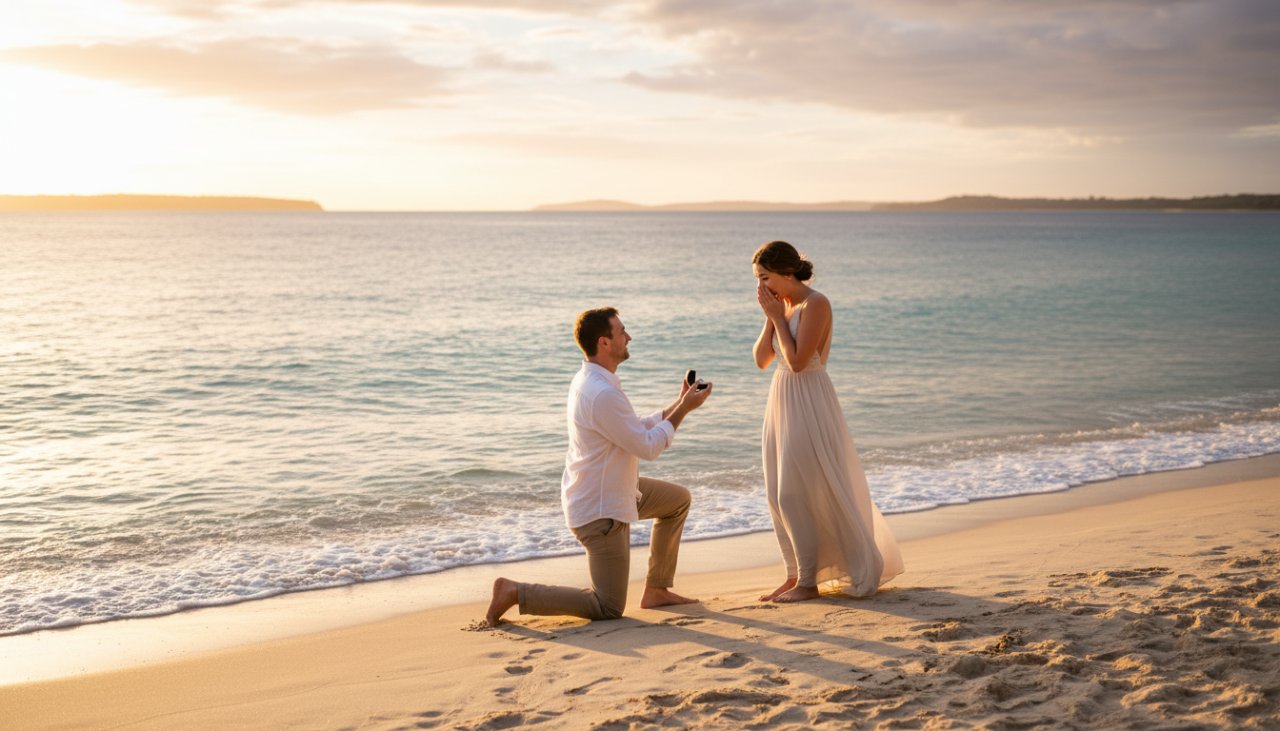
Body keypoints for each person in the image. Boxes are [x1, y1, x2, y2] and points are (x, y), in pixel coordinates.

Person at [486, 307, 712, 625]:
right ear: (604, 342)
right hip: (600, 509)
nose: (628, 336)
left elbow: (633, 427)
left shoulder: (593, 380)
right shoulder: (601, 393)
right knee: (607, 606)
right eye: (622, 331)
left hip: (614, 488)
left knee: (677, 501)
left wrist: (678, 402)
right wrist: (685, 410)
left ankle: (657, 590)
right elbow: (647, 447)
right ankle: (514, 591)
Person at [752, 240, 904, 602]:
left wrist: (777, 318)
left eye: (765, 277)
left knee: (795, 492)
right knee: (777, 492)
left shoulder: (815, 303)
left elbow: (799, 361)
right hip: (782, 400)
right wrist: (770, 317)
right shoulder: (783, 307)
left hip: (809, 399)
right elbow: (761, 360)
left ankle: (809, 582)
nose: (760, 287)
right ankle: (795, 574)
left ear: (787, 273)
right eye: (757, 279)